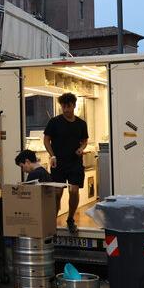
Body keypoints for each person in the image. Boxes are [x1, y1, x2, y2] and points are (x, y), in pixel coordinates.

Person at [44, 92, 89, 235]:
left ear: (74, 106)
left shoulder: (81, 124)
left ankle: (70, 219)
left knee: (74, 191)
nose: (66, 109)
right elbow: (46, 140)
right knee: (57, 194)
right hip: (59, 163)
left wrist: (81, 148)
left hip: (75, 163)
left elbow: (84, 140)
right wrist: (52, 155)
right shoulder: (54, 122)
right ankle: (53, 221)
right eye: (63, 106)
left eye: (68, 106)